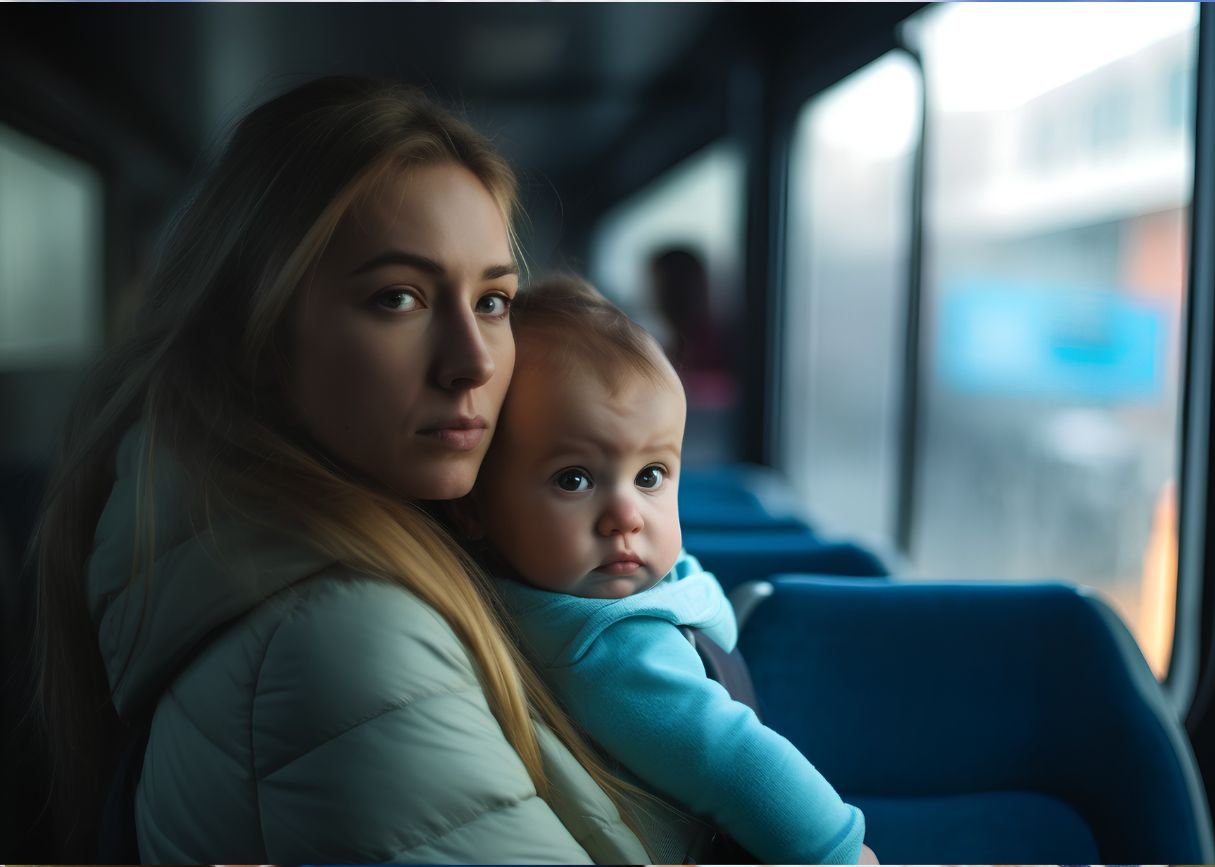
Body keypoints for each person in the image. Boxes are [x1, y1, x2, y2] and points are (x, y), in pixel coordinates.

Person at [28, 77, 668, 863]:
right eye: (398, 298)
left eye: (494, 301)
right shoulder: (344, 642)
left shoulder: (244, 542)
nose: (471, 361)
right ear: (257, 337)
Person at [465, 276, 877, 865]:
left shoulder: (597, 589)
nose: (625, 517)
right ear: (476, 506)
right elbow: (732, 760)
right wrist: (840, 850)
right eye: (573, 479)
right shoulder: (608, 646)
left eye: (651, 475)